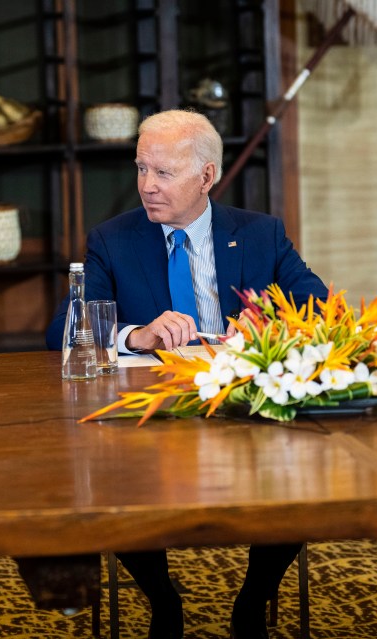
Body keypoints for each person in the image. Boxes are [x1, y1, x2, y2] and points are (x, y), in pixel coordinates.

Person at [46, 109, 327, 639]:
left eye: (164, 173)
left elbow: (316, 299)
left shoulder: (260, 234)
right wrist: (135, 335)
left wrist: (271, 316)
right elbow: (63, 328)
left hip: (244, 406)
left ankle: (253, 599)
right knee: (113, 481)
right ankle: (162, 599)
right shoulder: (114, 239)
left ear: (206, 176)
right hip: (151, 417)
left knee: (299, 478)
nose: (147, 186)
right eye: (141, 169)